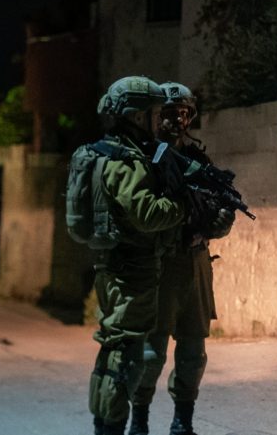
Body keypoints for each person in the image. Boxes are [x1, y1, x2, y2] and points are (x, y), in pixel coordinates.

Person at [128, 82, 234, 435]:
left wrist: (217, 221)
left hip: (195, 261)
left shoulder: (197, 160)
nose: (178, 120)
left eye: (185, 113)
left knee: (193, 351)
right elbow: (138, 211)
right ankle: (139, 420)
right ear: (155, 116)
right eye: (170, 112)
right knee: (151, 352)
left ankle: (182, 421)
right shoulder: (144, 158)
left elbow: (219, 206)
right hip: (160, 264)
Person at [85, 76, 187, 435]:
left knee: (112, 347)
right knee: (126, 354)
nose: (159, 120)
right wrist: (181, 205)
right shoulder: (126, 160)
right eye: (153, 113)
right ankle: (111, 426)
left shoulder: (102, 152)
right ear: (137, 116)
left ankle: (103, 424)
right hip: (131, 272)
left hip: (112, 265)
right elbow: (148, 214)